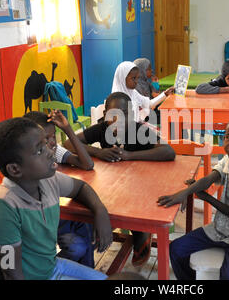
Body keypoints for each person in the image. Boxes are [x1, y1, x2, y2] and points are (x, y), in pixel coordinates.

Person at [0, 117, 113, 279]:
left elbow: (81, 187)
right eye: (40, 150)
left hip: (51, 267)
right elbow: (11, 274)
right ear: (15, 169)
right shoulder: (2, 208)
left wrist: (100, 210)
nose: (50, 152)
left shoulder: (48, 180)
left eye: (46, 144)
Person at [63, 92, 176, 267]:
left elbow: (168, 152)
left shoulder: (138, 129)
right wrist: (98, 152)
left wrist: (130, 155)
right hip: (111, 184)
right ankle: (105, 229)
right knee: (96, 200)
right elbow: (68, 144)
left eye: (124, 113)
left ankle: (140, 233)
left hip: (139, 185)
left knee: (132, 205)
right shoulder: (101, 129)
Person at [157, 115, 229, 280]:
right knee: (176, 249)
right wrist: (187, 191)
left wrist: (207, 198)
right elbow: (209, 178)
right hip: (220, 229)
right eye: (228, 137)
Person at [23, 110, 96, 268]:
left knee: (86, 223)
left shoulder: (54, 151)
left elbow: (87, 164)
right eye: (46, 139)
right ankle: (69, 265)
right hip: (40, 221)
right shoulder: (28, 161)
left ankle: (86, 265)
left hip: (53, 210)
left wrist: (68, 129)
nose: (53, 142)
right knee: (81, 234)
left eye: (53, 135)